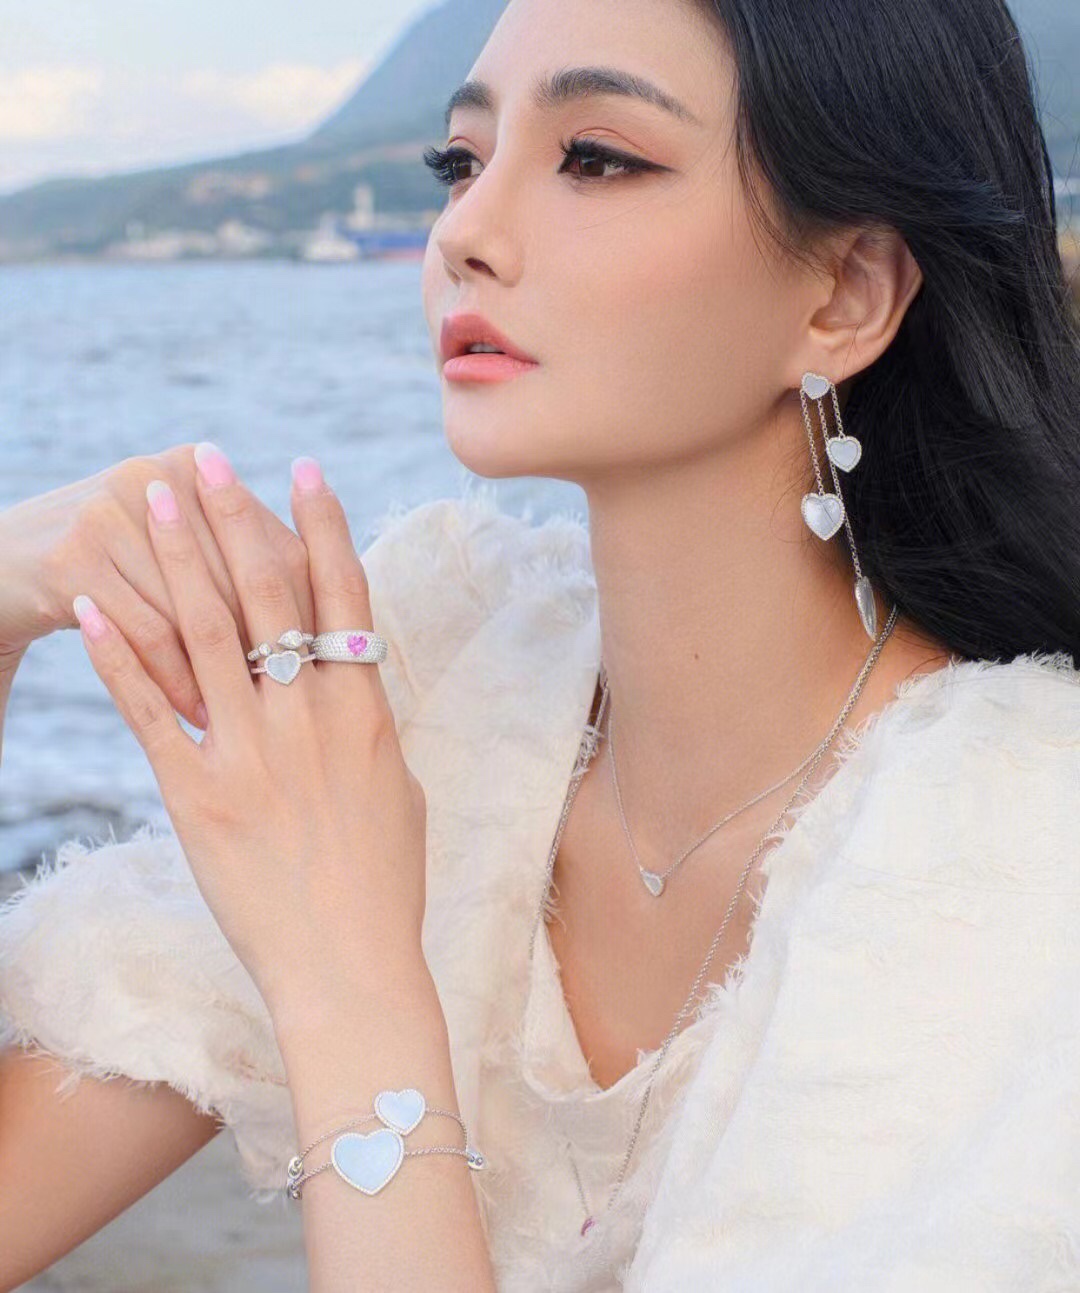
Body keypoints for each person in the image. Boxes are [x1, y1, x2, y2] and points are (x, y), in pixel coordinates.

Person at [2, 0, 1080, 1287]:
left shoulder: (1018, 857)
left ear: (845, 292)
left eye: (597, 159)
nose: (464, 231)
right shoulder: (457, 684)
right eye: (459, 161)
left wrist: (347, 985)